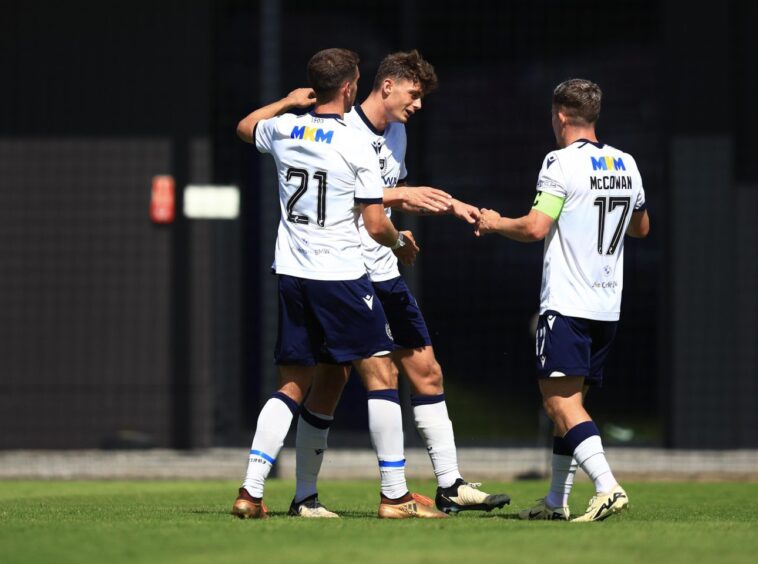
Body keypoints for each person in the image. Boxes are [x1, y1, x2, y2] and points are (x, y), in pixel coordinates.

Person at [288, 50, 511, 518]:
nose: (418, 105)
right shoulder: (341, 129)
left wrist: (451, 206)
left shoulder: (399, 134)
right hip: (345, 273)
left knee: (427, 371)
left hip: (384, 269)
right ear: (387, 85)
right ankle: (312, 495)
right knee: (332, 380)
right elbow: (337, 197)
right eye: (414, 94)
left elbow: (390, 200)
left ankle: (449, 485)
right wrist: (398, 197)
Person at [230, 48, 446, 520]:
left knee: (293, 386)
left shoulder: (285, 129)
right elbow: (374, 223)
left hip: (291, 273)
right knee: (382, 375)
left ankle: (255, 492)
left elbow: (246, 126)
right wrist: (398, 242)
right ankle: (394, 496)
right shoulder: (355, 144)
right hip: (341, 277)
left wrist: (286, 102)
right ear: (350, 87)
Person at [476, 78, 649, 522]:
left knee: (559, 403)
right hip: (607, 306)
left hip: (569, 303)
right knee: (569, 406)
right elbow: (641, 227)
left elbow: (535, 228)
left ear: (561, 116)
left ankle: (607, 486)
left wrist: (495, 224)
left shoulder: (559, 162)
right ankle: (555, 501)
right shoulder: (627, 162)